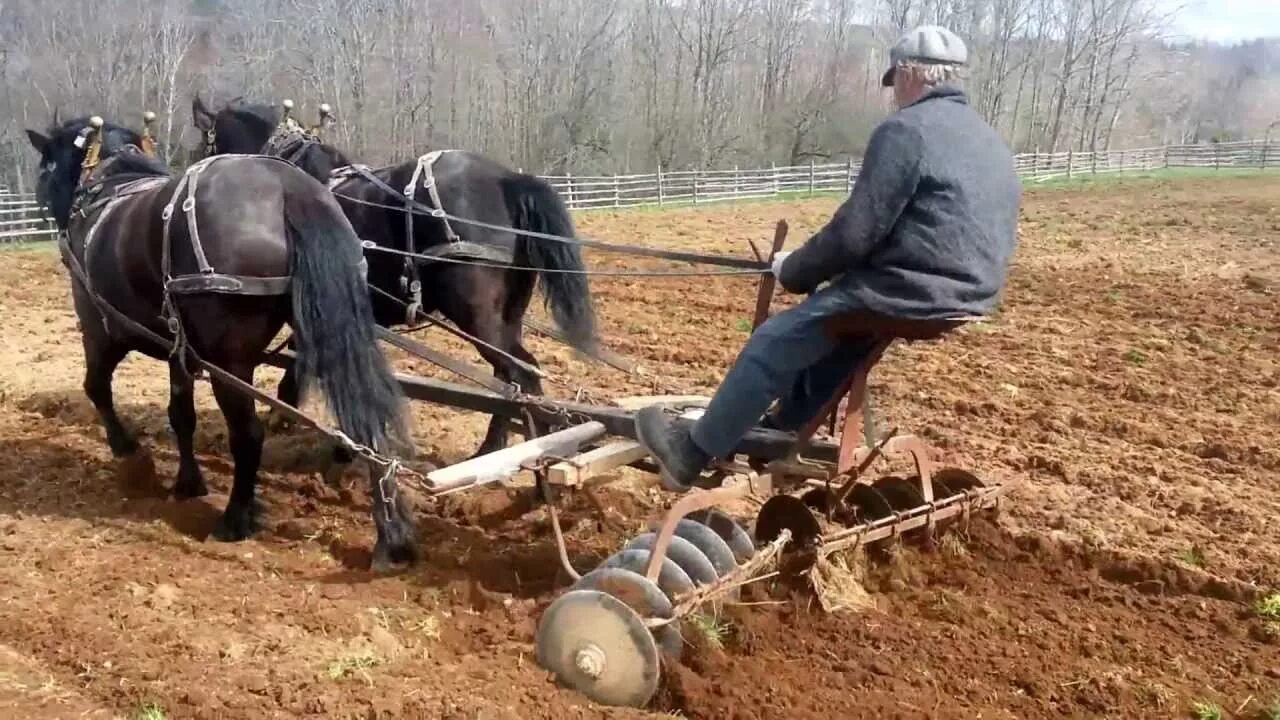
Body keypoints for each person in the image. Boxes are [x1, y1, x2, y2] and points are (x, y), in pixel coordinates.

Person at [635, 25, 1022, 492]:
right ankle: (787, 425)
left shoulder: (906, 131)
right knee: (846, 332)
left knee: (775, 339)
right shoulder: (988, 140)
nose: (894, 93)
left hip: (911, 289)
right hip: (970, 295)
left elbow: (854, 233)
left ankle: (689, 454)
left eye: (895, 81)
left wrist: (793, 269)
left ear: (907, 75)